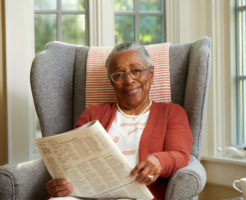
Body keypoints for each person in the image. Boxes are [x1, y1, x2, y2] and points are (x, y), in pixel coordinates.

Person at [46, 42, 193, 200]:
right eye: (118, 75)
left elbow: (180, 155)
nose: (129, 80)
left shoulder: (171, 112)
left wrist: (159, 161)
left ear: (151, 73)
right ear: (112, 82)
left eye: (136, 70)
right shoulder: (92, 114)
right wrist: (57, 184)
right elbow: (72, 163)